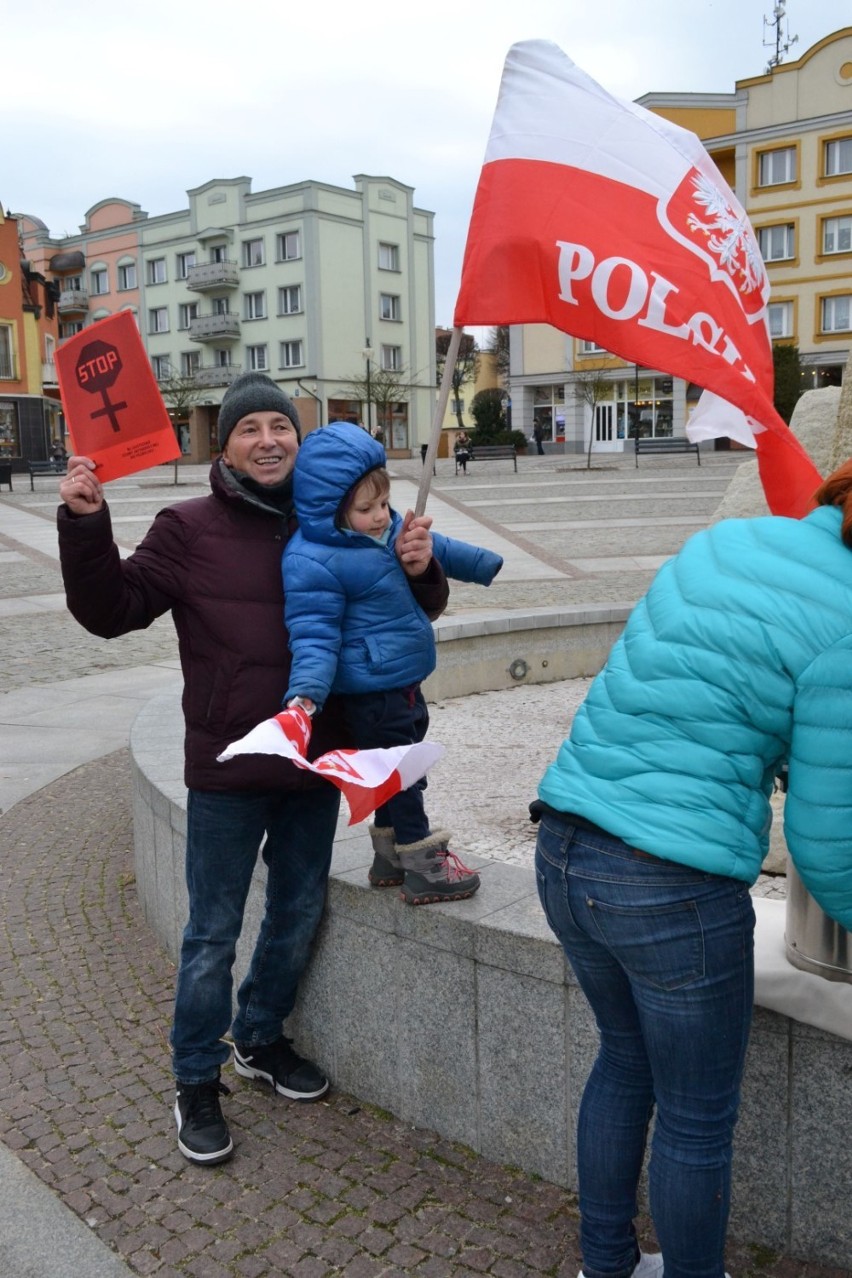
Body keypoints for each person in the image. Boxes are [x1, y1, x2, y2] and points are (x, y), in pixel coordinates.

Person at [56, 372, 448, 1167]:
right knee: (210, 934)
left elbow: (408, 615)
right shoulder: (188, 528)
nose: (269, 440)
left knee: (298, 911)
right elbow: (111, 612)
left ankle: (260, 1038)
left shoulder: (344, 518)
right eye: (249, 429)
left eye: (282, 426)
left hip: (315, 760)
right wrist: (84, 524)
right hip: (231, 767)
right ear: (224, 445)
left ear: (300, 441)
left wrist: (417, 568)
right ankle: (195, 1079)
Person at [531, 460, 852, 1278]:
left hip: (565, 846)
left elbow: (685, 688)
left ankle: (603, 1266)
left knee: (622, 1061)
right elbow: (826, 845)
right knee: (696, 1121)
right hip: (672, 887)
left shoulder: (728, 541)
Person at [282, 420, 503, 904]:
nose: (382, 516)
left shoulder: (387, 533)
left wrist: (483, 564)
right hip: (371, 692)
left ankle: (387, 858)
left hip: (402, 680)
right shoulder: (314, 559)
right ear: (330, 509)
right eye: (366, 509)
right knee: (403, 777)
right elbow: (314, 634)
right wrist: (306, 695)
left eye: (383, 503)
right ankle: (425, 866)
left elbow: (437, 548)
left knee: (391, 772)